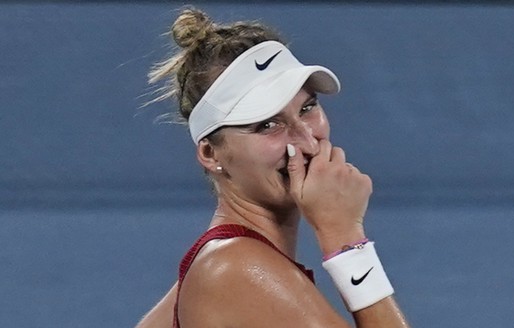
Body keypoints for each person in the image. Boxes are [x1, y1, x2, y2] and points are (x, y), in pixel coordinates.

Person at [136, 7, 410, 328]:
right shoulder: (236, 271)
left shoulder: (215, 267)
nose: (307, 143)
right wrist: (346, 240)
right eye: (267, 125)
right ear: (211, 154)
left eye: (307, 108)